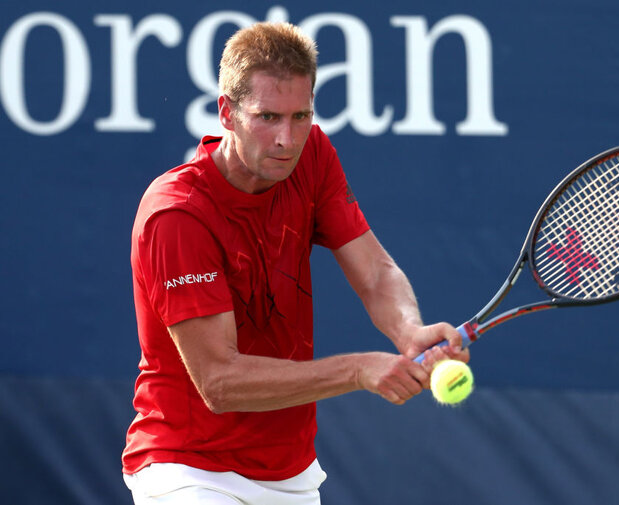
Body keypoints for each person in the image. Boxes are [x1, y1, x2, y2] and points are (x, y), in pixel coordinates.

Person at [122, 21, 468, 505]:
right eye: (267, 117)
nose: (287, 139)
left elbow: (373, 270)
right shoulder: (177, 215)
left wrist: (408, 330)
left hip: (291, 473)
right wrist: (357, 370)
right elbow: (218, 382)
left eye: (300, 115)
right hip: (186, 467)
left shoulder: (313, 155)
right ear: (227, 113)